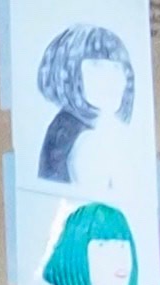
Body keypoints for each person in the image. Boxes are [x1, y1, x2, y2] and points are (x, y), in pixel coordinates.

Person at [34, 19, 136, 183]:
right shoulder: (88, 142)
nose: (112, 79)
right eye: (97, 66)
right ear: (69, 71)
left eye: (118, 67)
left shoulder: (65, 128)